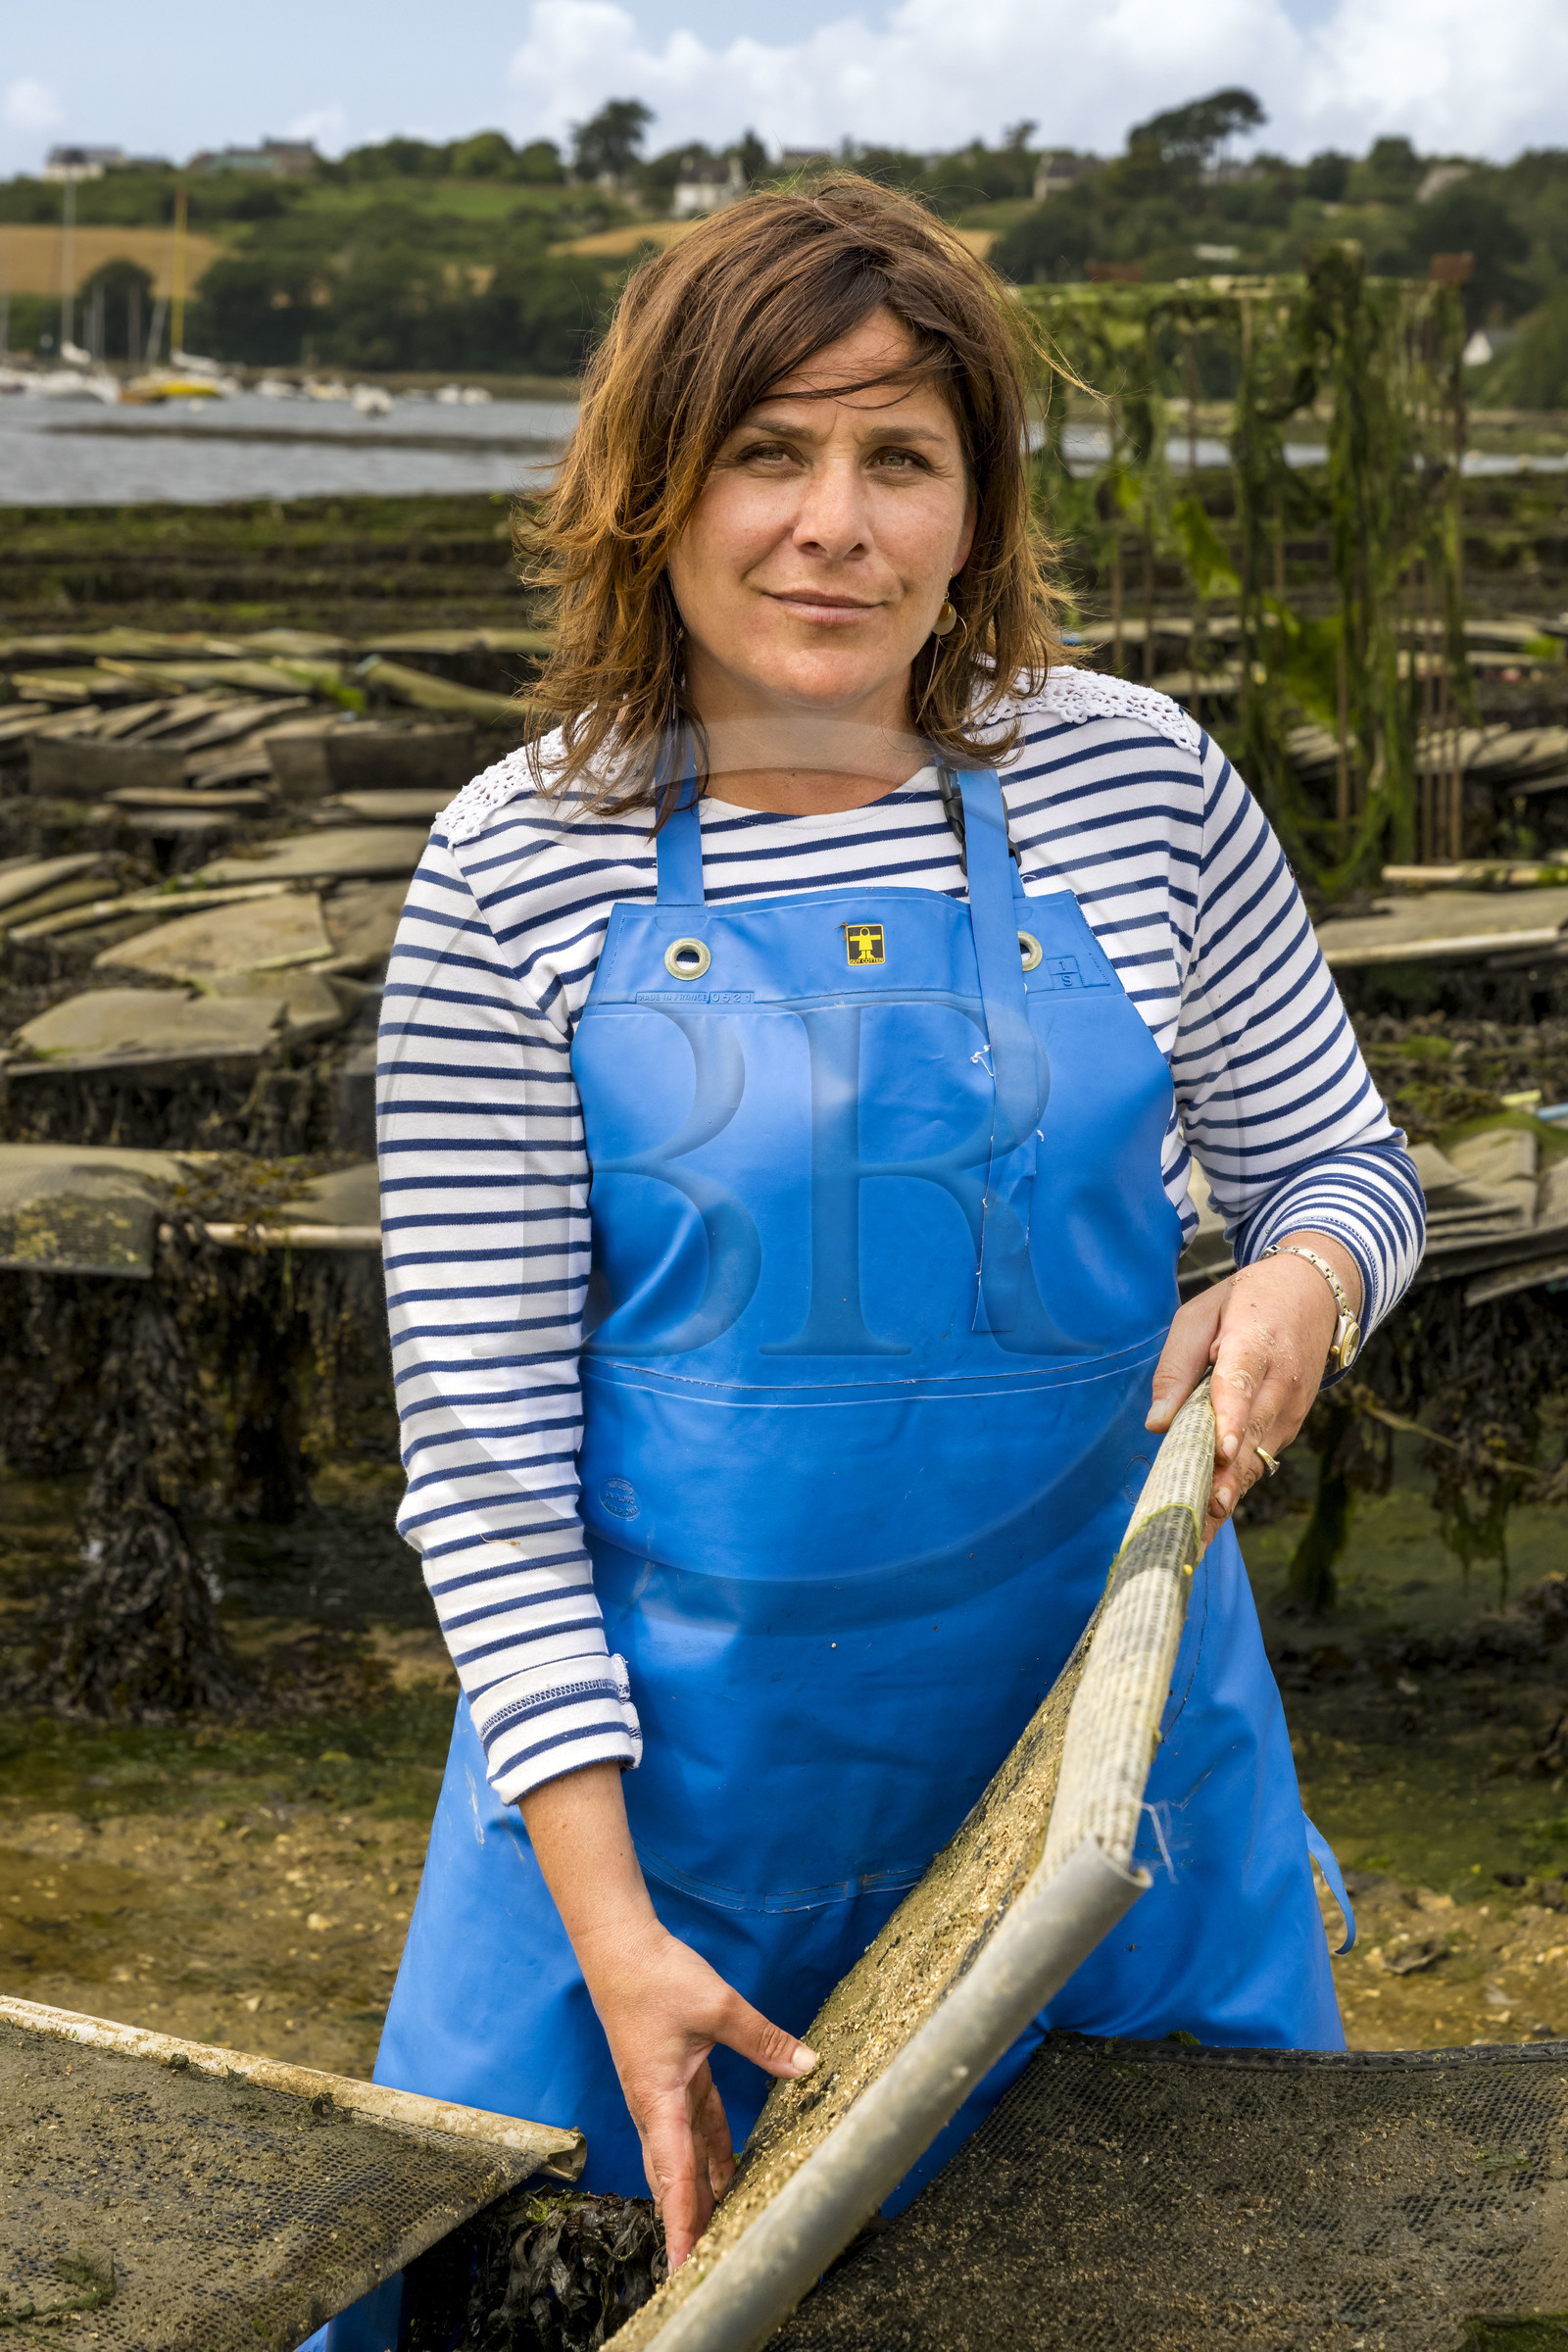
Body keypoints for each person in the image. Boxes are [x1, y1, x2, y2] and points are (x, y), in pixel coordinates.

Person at [314, 176, 1425, 2348]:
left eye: (898, 457)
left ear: (974, 507)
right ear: (653, 487)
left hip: (1106, 1794)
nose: (832, 524)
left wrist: (1299, 1285)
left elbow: (1342, 1172)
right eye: (766, 449)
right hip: (660, 1826)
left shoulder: (1138, 787)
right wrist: (618, 1939)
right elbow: (484, 1465)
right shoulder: (513, 865)